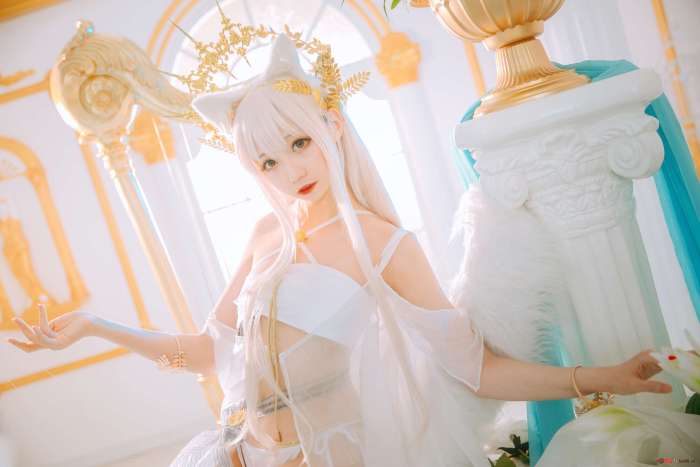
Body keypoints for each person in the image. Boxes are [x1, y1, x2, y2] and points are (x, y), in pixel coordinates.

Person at [8, 33, 699, 467]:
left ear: (332, 126)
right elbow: (198, 353)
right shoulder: (264, 236)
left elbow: (476, 369)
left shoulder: (379, 241)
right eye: (267, 161)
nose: (290, 169)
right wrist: (94, 327)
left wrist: (597, 378)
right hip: (238, 453)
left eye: (299, 142)